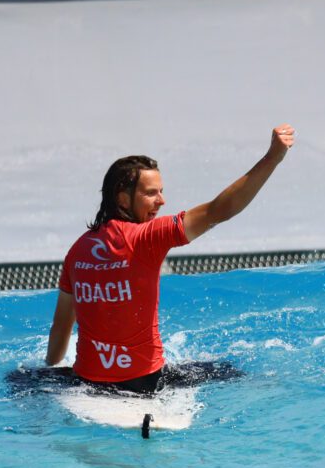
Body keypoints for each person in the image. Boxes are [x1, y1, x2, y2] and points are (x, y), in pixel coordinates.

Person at [19, 125, 296, 397]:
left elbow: (61, 327)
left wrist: (53, 378)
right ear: (123, 199)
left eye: (161, 191)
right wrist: (272, 158)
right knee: (233, 373)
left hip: (87, 381)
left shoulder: (78, 250)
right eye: (151, 193)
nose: (161, 201)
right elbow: (218, 210)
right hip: (144, 382)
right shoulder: (146, 238)